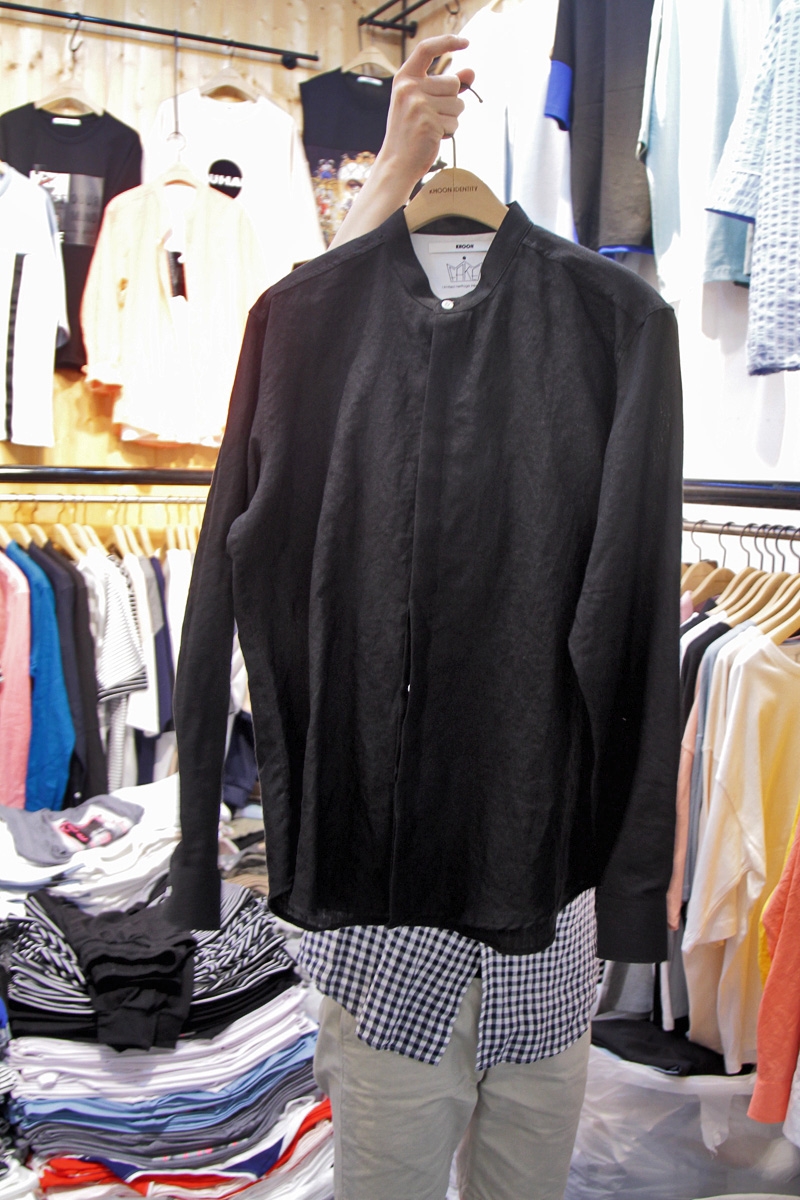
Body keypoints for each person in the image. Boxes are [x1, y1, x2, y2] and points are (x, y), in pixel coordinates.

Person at [295, 34, 598, 1200]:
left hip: (545, 959)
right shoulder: (348, 410)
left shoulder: (588, 356)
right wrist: (394, 165)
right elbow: (300, 343)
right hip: (395, 963)